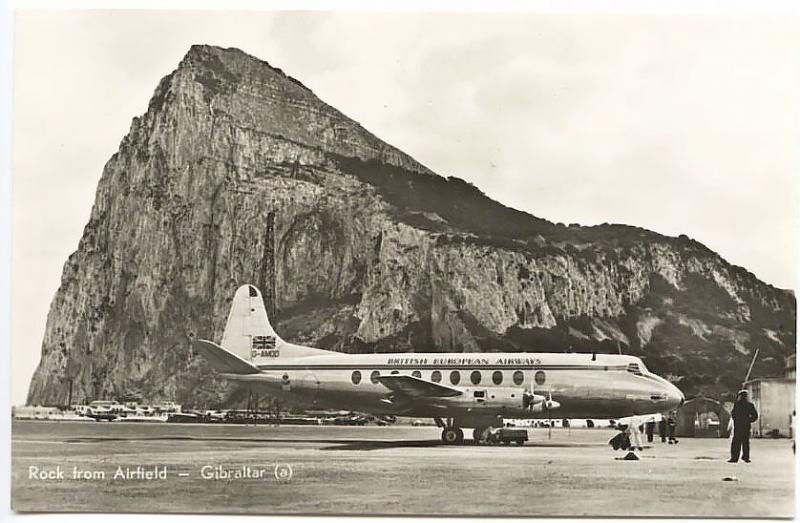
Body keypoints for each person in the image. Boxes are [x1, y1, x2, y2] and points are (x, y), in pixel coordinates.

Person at [729, 389, 758, 463]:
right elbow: (755, 416)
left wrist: (736, 420)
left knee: (736, 442)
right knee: (745, 442)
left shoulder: (737, 404)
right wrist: (749, 420)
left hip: (738, 426)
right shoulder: (750, 405)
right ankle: (746, 457)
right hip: (746, 426)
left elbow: (733, 414)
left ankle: (734, 457)